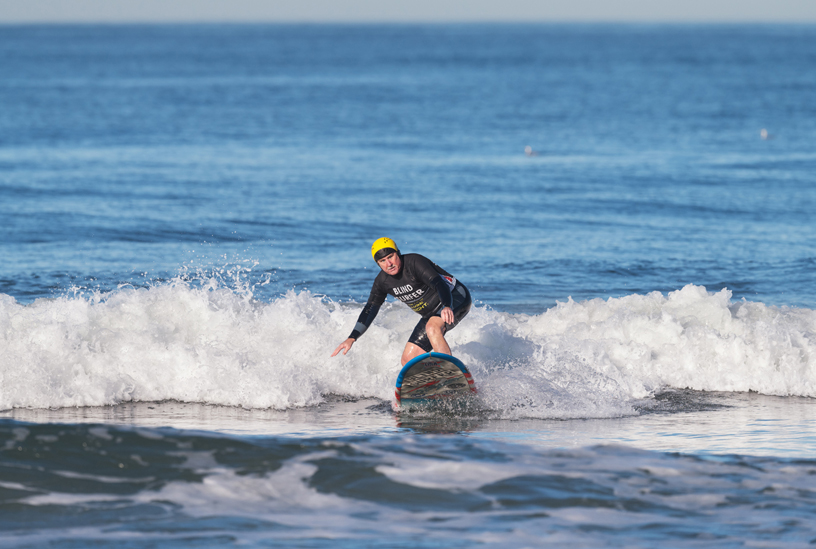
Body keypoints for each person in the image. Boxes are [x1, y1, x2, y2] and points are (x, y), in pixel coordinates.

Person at [331, 237, 472, 366]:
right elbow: (370, 309)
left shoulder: (414, 263)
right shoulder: (382, 282)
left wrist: (447, 305)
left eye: (390, 257)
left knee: (432, 328)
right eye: (382, 261)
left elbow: (439, 283)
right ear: (378, 264)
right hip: (430, 314)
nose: (389, 264)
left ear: (397, 253)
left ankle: (448, 373)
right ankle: (429, 386)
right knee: (408, 360)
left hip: (455, 298)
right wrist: (352, 338)